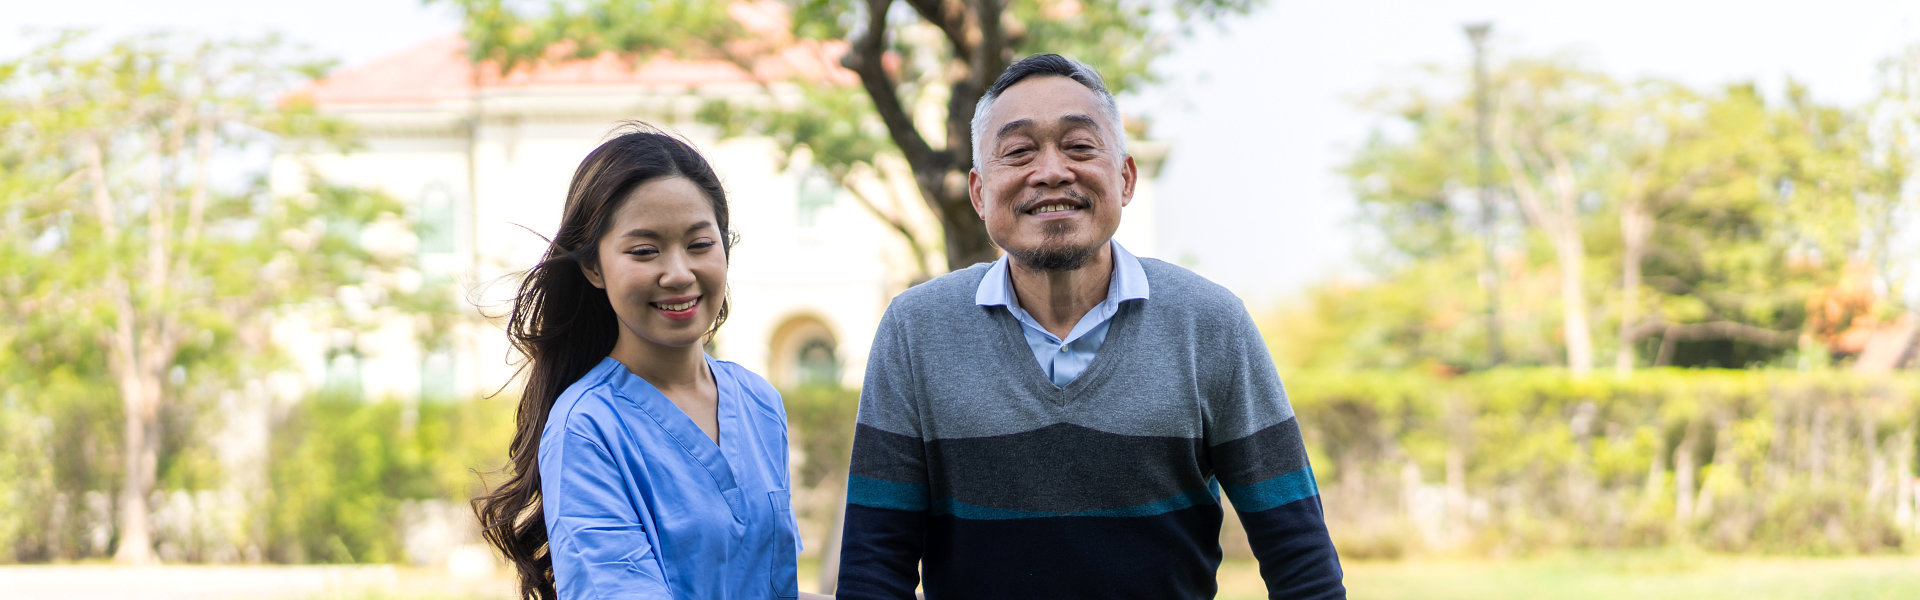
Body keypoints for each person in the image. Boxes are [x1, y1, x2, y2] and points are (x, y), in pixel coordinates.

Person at [834, 55, 1345, 599]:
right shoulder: (916, 331)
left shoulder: (1211, 324)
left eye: (1079, 147)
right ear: (980, 193)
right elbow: (875, 566)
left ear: (1125, 179)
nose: (1052, 171)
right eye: (1019, 152)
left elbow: (1301, 560)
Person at [472, 125, 823, 600]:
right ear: (593, 267)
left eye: (700, 244)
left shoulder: (759, 401)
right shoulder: (587, 427)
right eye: (644, 251)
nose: (679, 273)